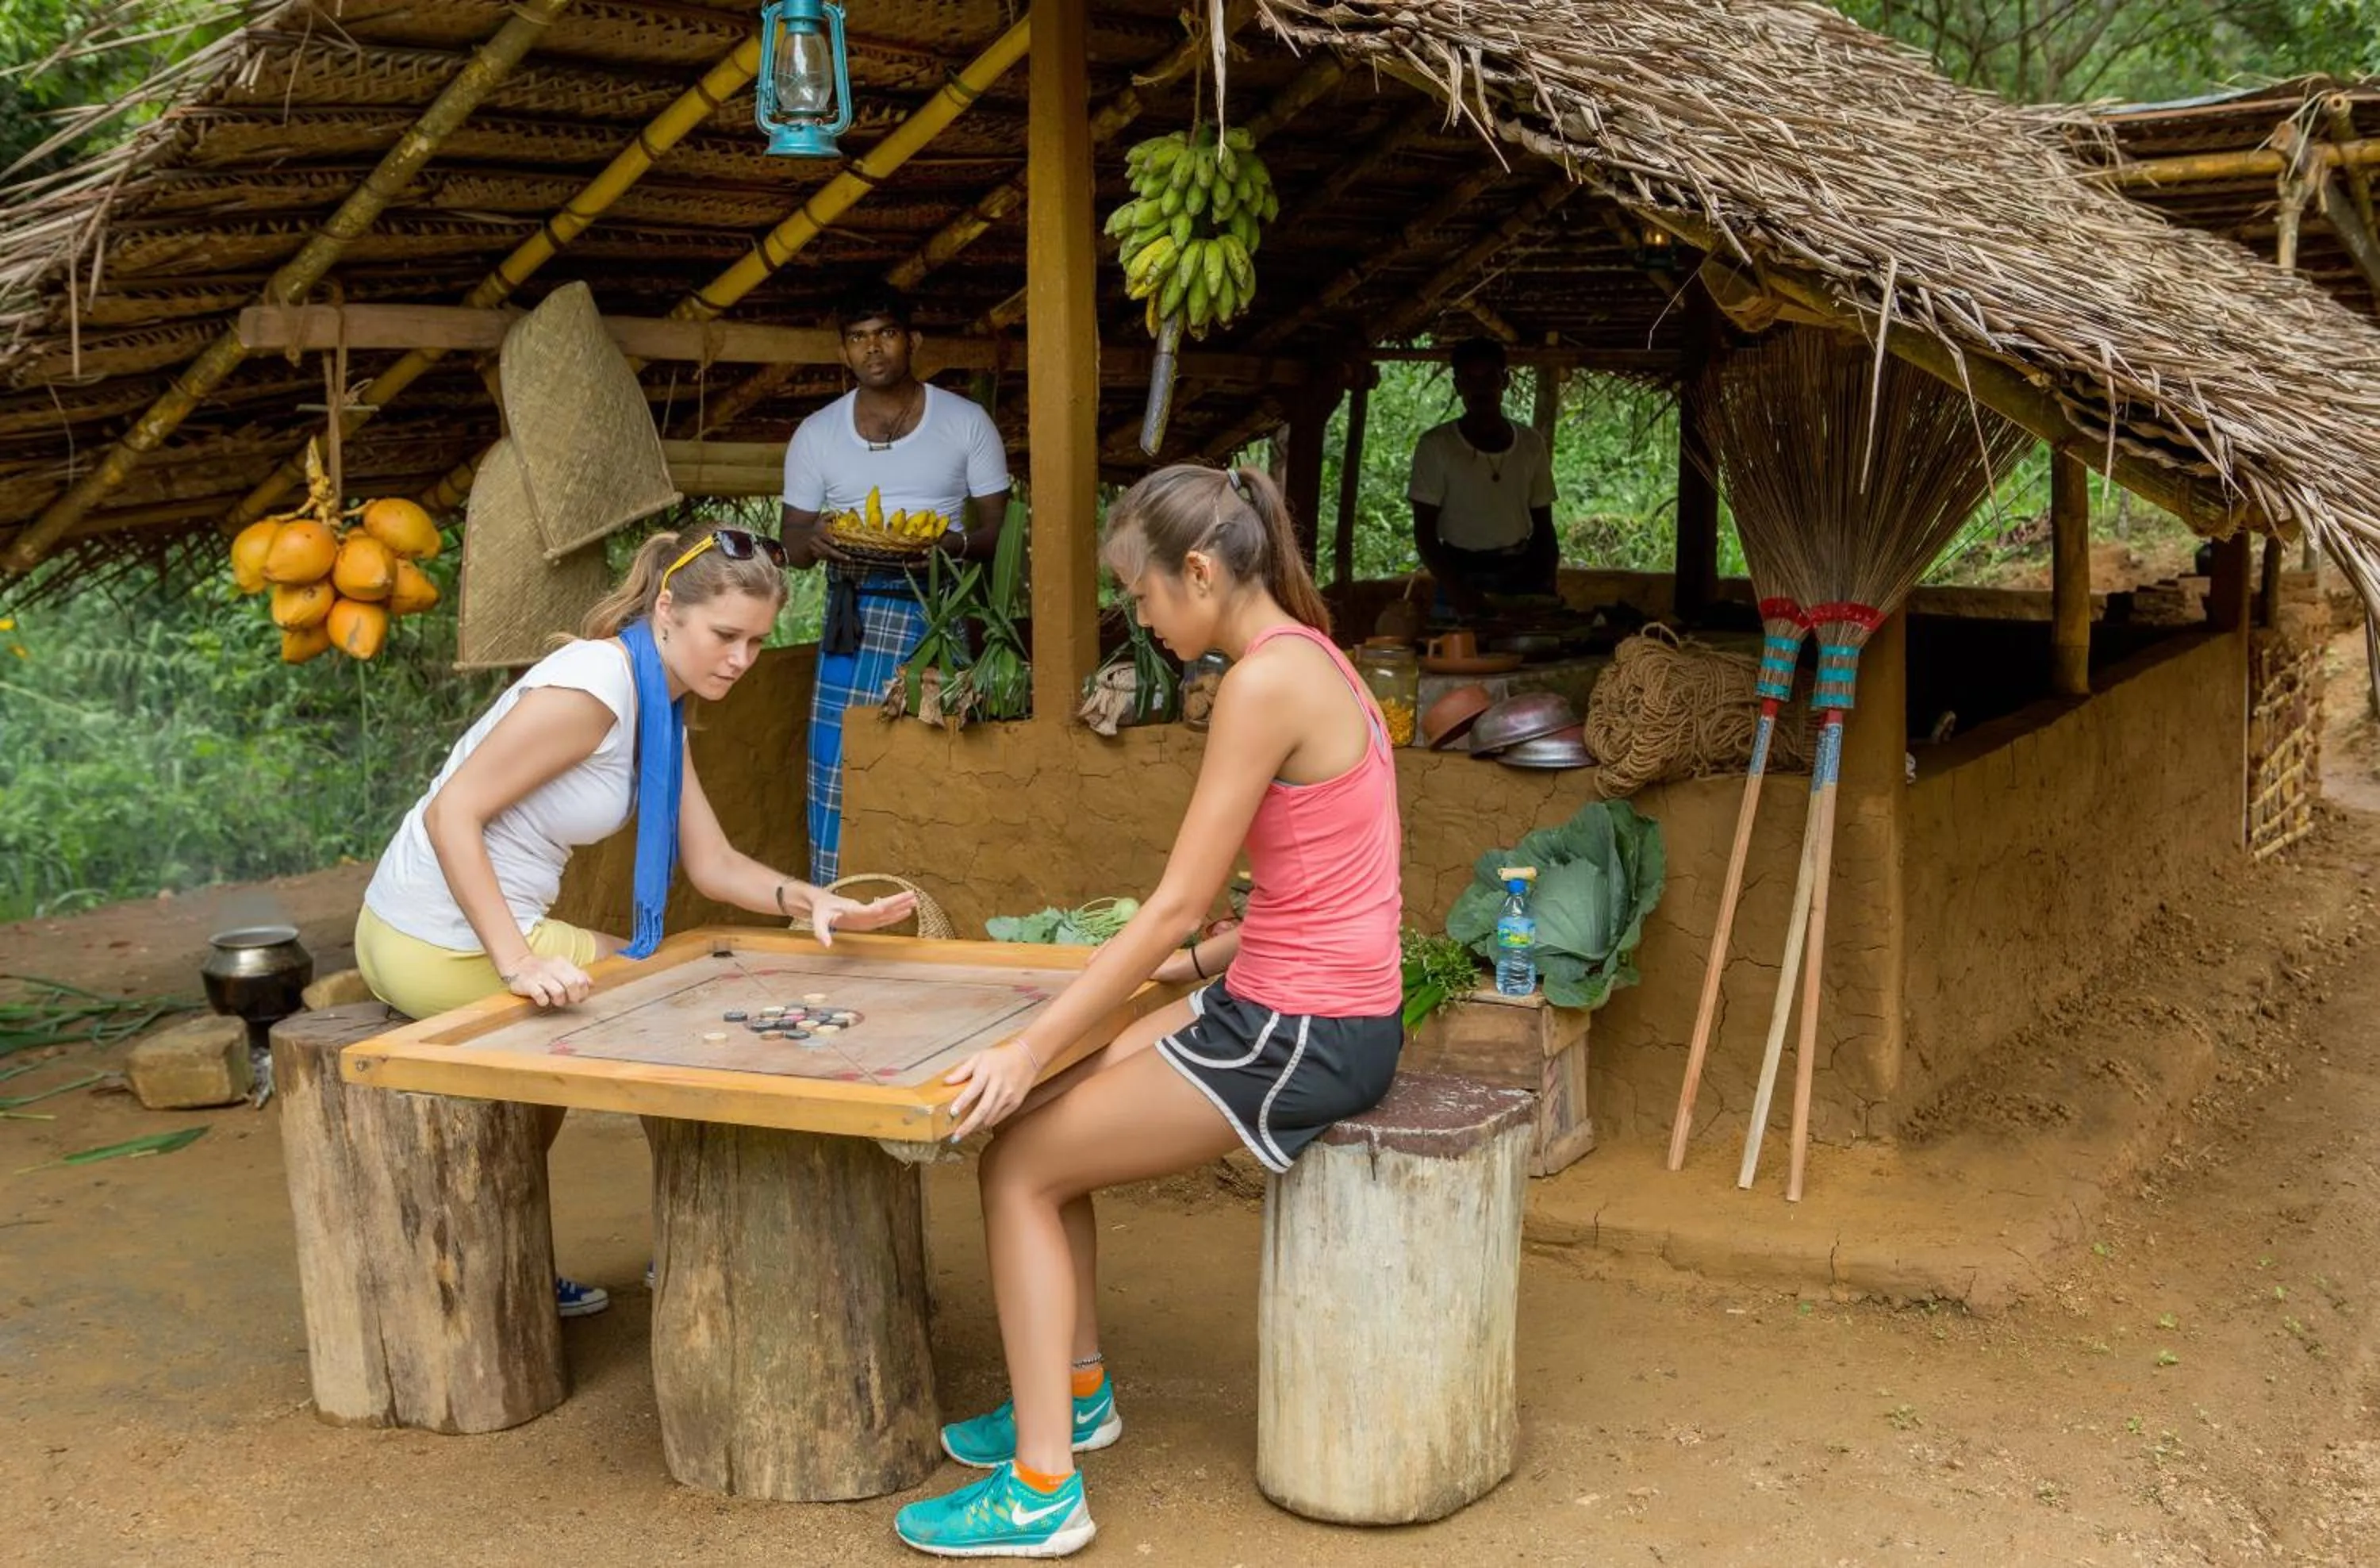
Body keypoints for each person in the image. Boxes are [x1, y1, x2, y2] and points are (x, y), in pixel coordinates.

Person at [891, 466, 1403, 1559]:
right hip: (1285, 999)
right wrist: (1200, 964)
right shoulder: (1311, 658)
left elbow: (1174, 900)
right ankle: (1074, 1398)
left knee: (1018, 1157)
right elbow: (1303, 884)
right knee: (1065, 1105)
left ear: (1205, 574)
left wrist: (1029, 1044)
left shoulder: (1266, 683)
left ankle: (1040, 1493)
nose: (1144, 620)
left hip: (1302, 1031)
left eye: (1146, 597)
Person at [354, 522, 916, 1317]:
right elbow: (453, 814)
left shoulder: (657, 697)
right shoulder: (597, 689)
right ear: (666, 608)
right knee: (671, 1004)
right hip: (435, 946)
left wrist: (812, 899)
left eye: (757, 642)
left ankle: (528, 1253)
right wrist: (518, 963)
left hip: (414, 931)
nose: (740, 660)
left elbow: (713, 863)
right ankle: (696, 1249)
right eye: (725, 635)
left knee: (653, 986)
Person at [781, 290, 1012, 885]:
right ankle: (836, 896)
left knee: (942, 762)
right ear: (843, 351)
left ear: (913, 340)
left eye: (885, 333)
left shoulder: (964, 422)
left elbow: (999, 534)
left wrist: (951, 547)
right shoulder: (817, 433)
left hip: (939, 612)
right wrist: (819, 540)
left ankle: (940, 899)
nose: (872, 348)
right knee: (839, 768)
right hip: (852, 619)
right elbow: (793, 546)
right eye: (858, 337)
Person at [1407, 336, 1559, 617]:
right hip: (1457, 573)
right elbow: (1425, 533)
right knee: (1455, 658)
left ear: (1505, 381)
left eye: (1489, 377)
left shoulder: (1530, 444)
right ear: (1458, 386)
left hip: (1519, 575)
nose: (1481, 388)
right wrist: (1458, 591)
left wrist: (1546, 583)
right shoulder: (1437, 445)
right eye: (1469, 379)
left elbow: (1544, 527)